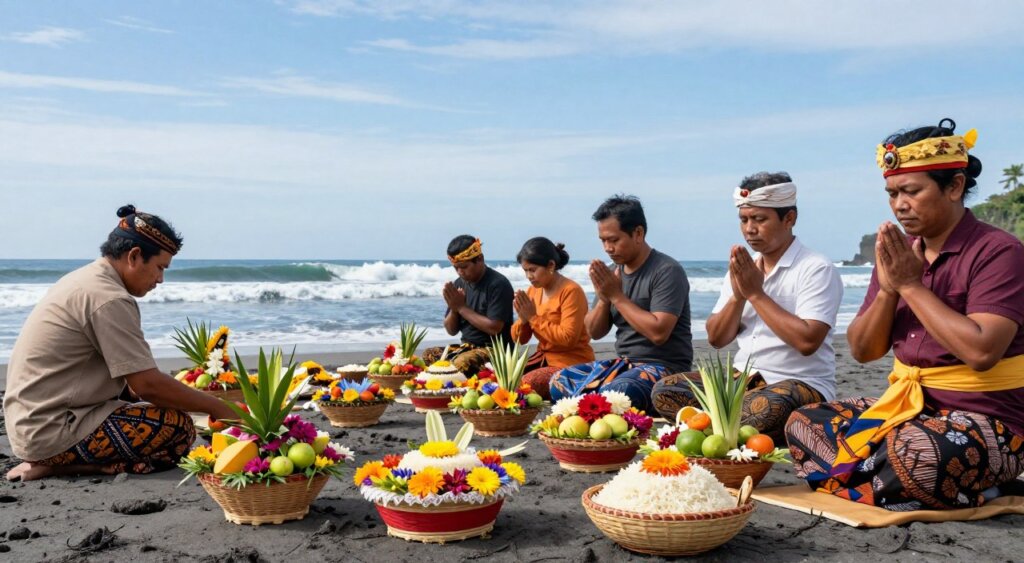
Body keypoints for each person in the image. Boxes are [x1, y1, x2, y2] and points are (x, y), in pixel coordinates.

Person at [786, 119, 1024, 510]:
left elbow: (982, 353)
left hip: (992, 421)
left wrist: (912, 287)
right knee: (805, 422)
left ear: (955, 187)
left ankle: (871, 478)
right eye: (892, 193)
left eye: (911, 191)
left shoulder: (999, 252)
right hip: (908, 409)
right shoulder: (899, 254)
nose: (899, 204)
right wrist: (890, 289)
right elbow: (863, 351)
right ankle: (897, 482)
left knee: (916, 452)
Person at [4, 205, 236, 482]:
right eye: (160, 268)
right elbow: (147, 384)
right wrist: (220, 409)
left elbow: (131, 383)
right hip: (51, 430)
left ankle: (63, 461)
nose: (160, 279)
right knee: (179, 429)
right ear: (134, 256)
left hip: (31, 421)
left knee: (156, 410)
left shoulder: (86, 279)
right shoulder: (109, 298)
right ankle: (59, 465)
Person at [650, 173, 843, 443]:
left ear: (789, 219)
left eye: (760, 219)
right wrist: (738, 296)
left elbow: (807, 341)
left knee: (765, 408)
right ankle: (729, 430)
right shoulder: (743, 268)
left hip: (799, 384)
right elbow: (717, 338)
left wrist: (755, 293)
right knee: (665, 390)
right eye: (744, 220)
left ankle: (717, 428)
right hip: (744, 381)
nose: (750, 229)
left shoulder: (816, 267)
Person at [550, 195, 692, 413]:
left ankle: (598, 404)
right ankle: (599, 405)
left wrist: (616, 296)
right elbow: (593, 331)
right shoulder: (612, 273)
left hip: (665, 368)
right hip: (624, 364)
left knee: (620, 391)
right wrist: (604, 298)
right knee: (560, 381)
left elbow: (658, 332)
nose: (607, 248)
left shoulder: (667, 270)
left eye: (614, 240)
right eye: (603, 240)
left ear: (638, 233)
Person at [510, 237, 595, 399]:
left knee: (523, 386)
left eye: (533, 270)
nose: (529, 276)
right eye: (525, 270)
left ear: (551, 265)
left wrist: (533, 317)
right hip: (543, 360)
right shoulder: (533, 291)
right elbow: (519, 339)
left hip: (571, 364)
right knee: (500, 380)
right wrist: (523, 318)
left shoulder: (571, 291)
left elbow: (568, 338)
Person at [422, 235, 514, 375]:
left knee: (461, 363)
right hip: (467, 348)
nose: (460, 272)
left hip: (497, 350)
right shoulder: (459, 283)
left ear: (480, 259)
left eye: (464, 267)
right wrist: (454, 310)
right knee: (430, 354)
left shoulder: (498, 284)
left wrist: (461, 308)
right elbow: (451, 330)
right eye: (456, 268)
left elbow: (494, 328)